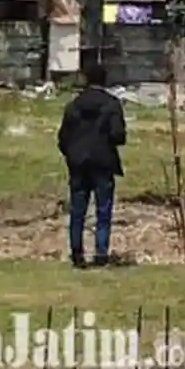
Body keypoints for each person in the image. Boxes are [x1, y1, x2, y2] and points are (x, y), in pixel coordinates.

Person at [57, 63, 126, 268]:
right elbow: (118, 135)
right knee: (103, 210)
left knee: (78, 209)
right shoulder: (112, 105)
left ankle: (77, 253)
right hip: (103, 162)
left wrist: (72, 154)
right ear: (105, 81)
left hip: (78, 163)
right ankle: (101, 253)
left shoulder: (73, 106)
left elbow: (63, 138)